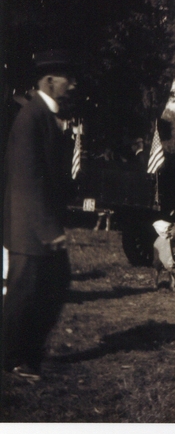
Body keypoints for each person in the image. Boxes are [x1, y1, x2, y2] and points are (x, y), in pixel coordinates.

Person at [3, 49, 77, 382]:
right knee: (22, 294)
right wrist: (48, 229)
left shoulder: (48, 116)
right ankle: (14, 360)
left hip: (40, 226)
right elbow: (27, 180)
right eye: (67, 79)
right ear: (49, 81)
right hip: (29, 228)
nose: (73, 85)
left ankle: (26, 354)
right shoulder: (30, 118)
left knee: (55, 284)